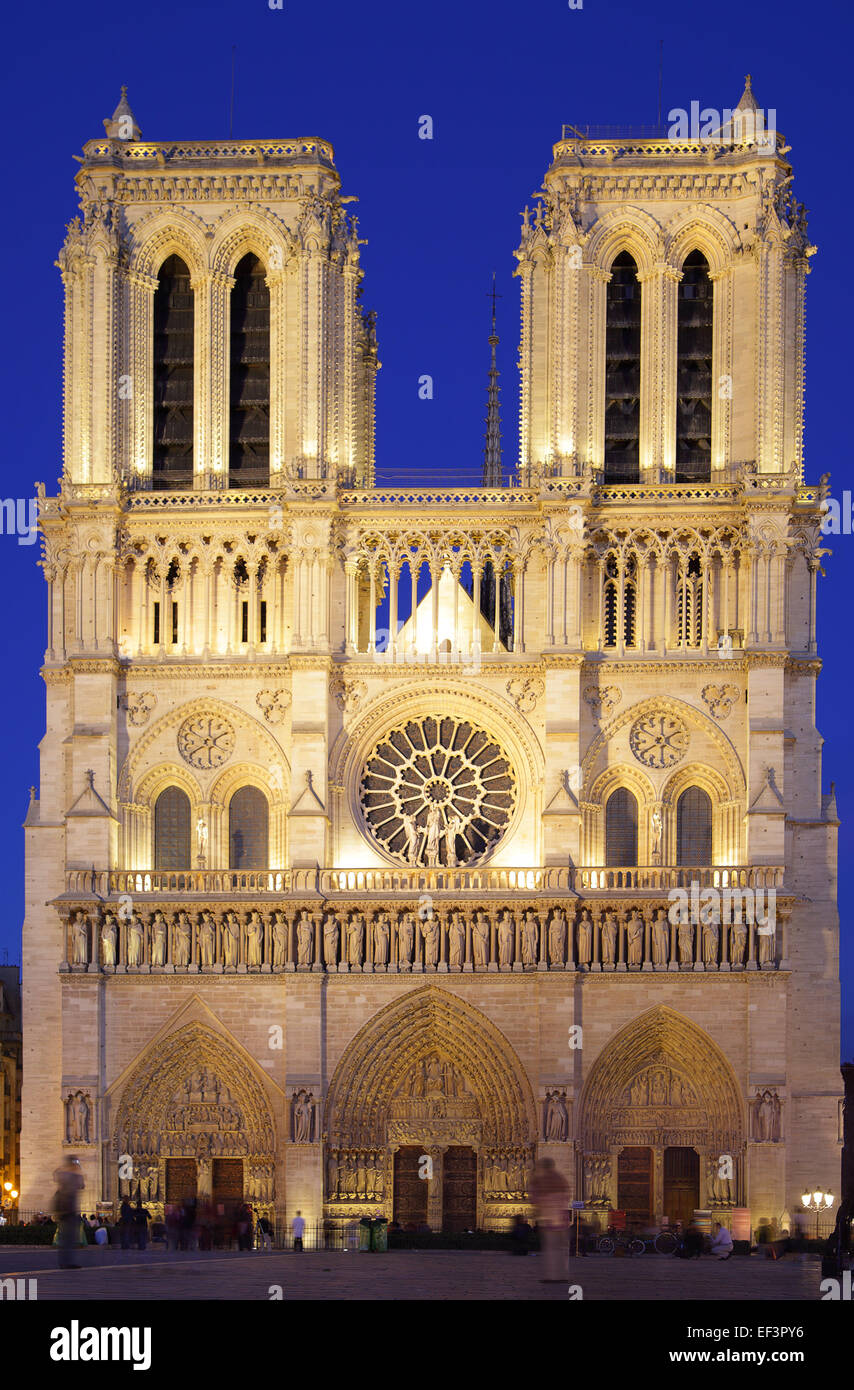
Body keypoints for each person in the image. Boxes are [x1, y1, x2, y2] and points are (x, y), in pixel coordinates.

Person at [529, 1157, 569, 1283]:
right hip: (561, 1219)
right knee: (561, 1249)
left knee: (550, 1248)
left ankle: (551, 1275)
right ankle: (562, 1275)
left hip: (548, 1219)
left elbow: (534, 1199)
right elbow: (566, 1196)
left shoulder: (540, 1180)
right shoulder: (560, 1179)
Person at [53, 1155, 85, 1269]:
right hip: (69, 1210)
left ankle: (65, 1261)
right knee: (69, 1237)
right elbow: (82, 1185)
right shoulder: (72, 1176)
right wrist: (79, 1169)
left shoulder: (63, 1174)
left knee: (66, 1238)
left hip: (64, 1211)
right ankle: (67, 1261)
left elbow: (56, 1174)